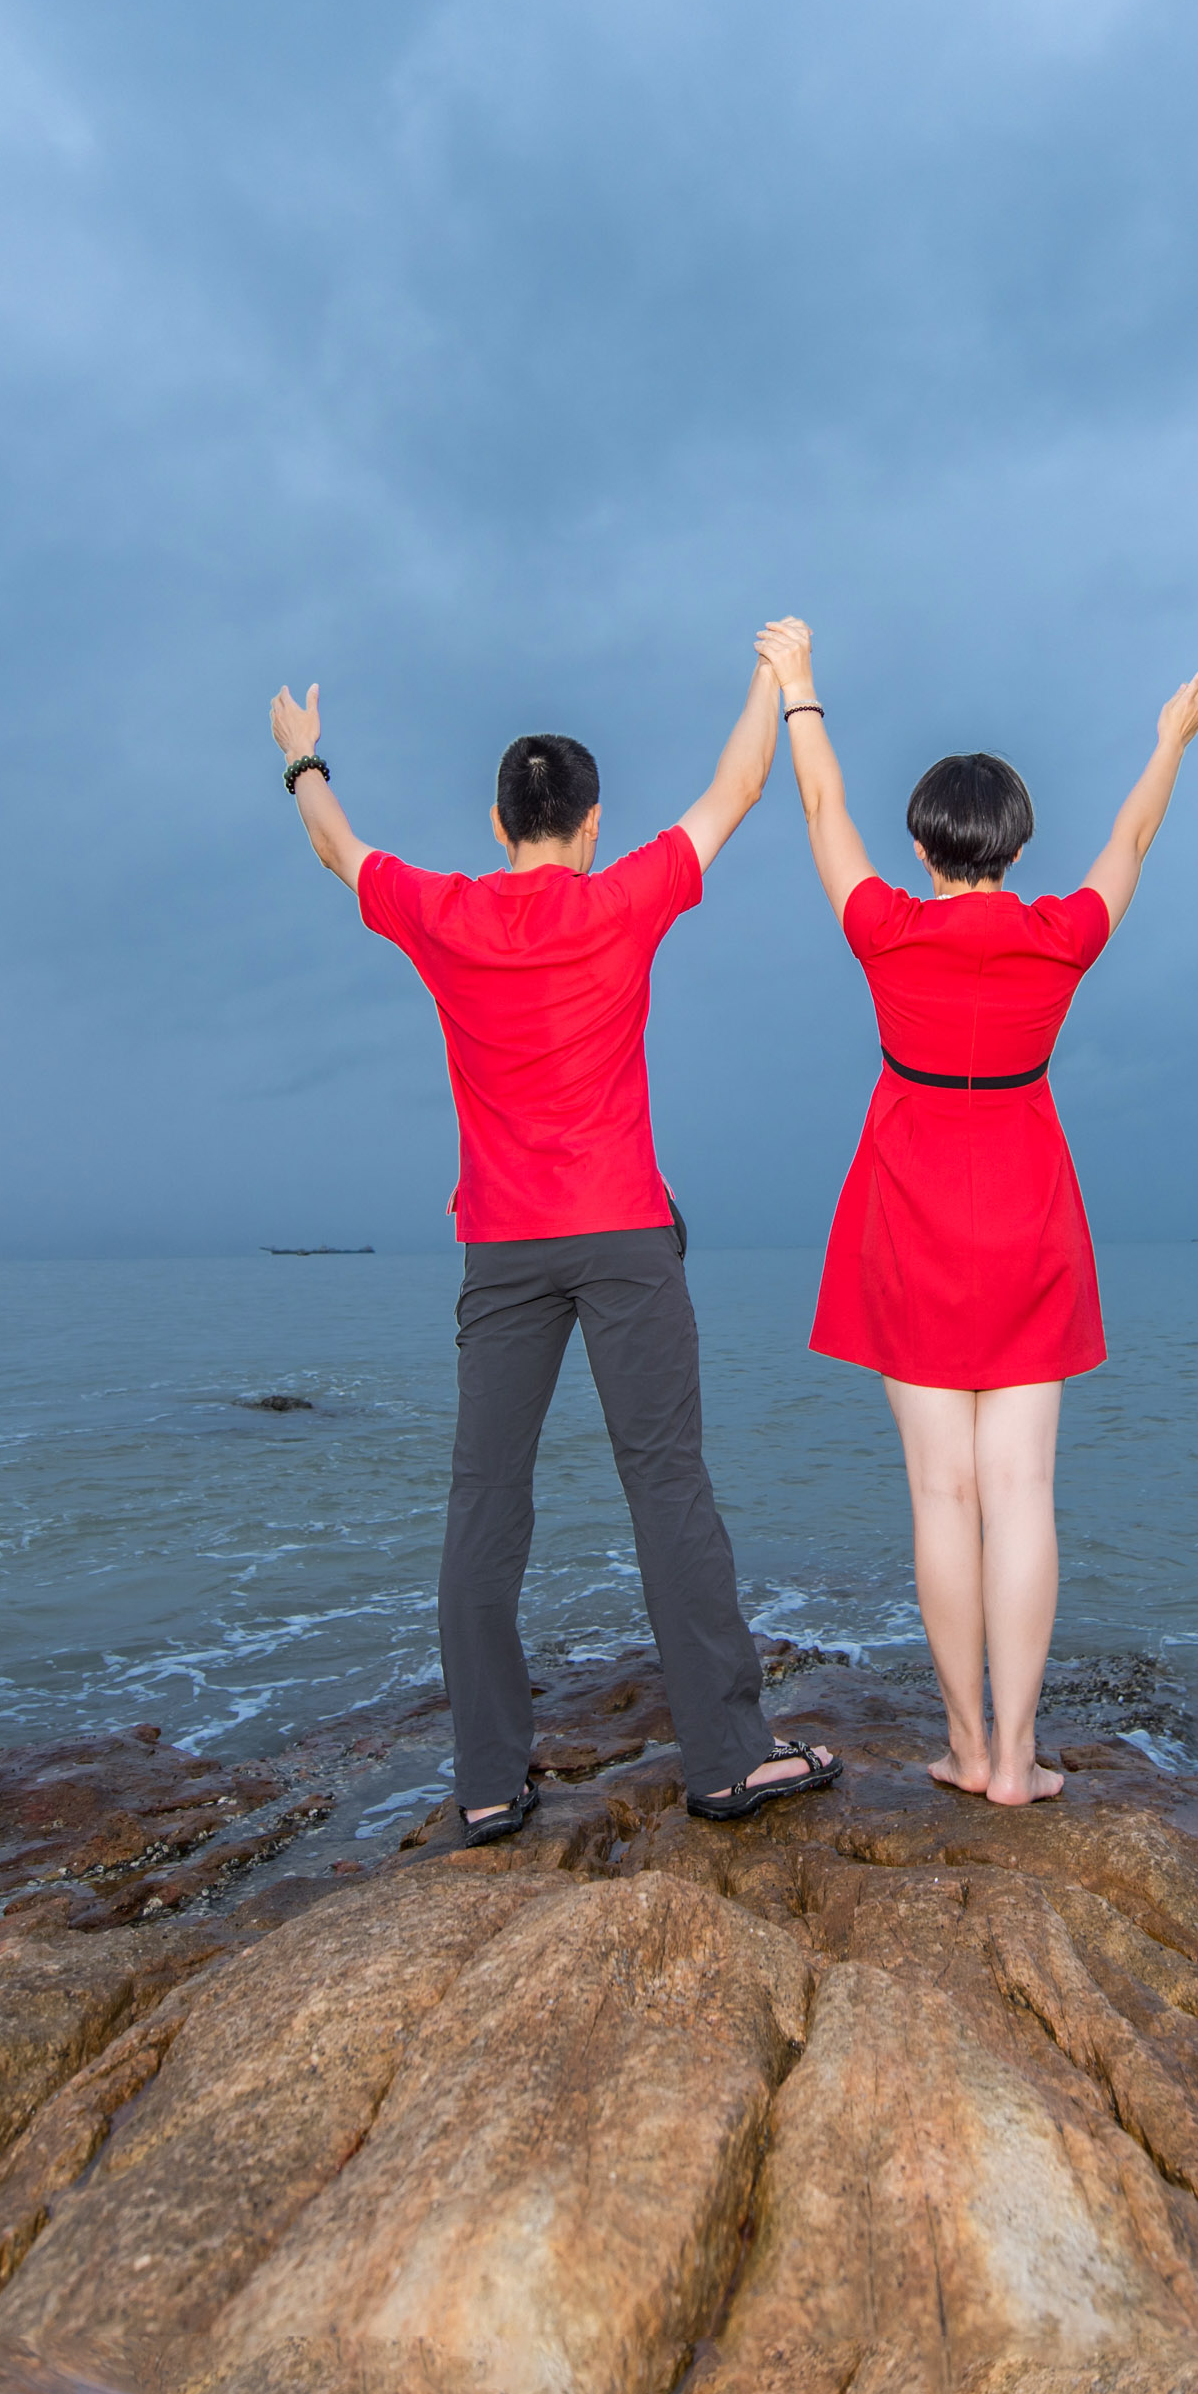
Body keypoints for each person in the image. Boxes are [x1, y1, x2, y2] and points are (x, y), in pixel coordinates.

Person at [272, 655, 844, 1845]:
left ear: (496, 824)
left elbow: (338, 845)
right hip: (626, 1233)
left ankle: (488, 1779)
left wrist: (299, 753)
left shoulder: (446, 910)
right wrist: (774, 675)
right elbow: (738, 791)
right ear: (591, 826)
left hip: (503, 1247)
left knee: (487, 1500)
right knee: (667, 1486)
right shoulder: (621, 897)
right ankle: (732, 1761)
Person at [765, 619, 1198, 1802]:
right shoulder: (1059, 938)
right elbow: (1133, 837)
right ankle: (1020, 1758)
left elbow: (820, 811)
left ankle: (965, 1748)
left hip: (912, 1212)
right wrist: (1171, 739)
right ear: (1017, 846)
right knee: (1023, 1493)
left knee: (940, 1495)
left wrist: (801, 688)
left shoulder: (888, 930)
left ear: (926, 843)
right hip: (1027, 1214)